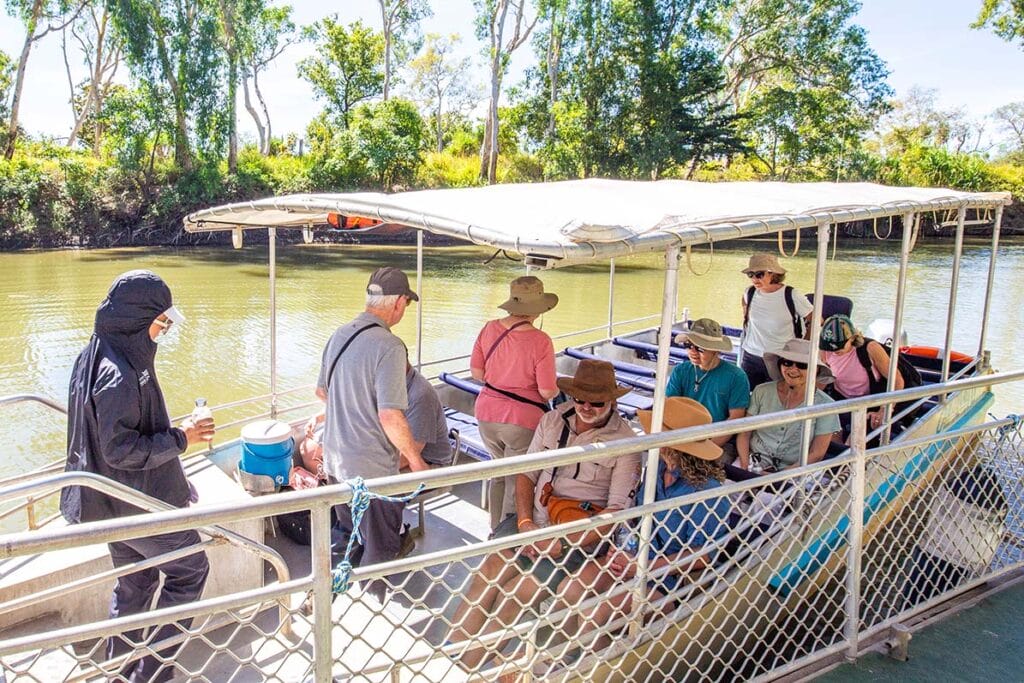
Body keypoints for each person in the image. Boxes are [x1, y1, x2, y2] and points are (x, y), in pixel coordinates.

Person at [61, 270, 215, 683]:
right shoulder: (119, 375)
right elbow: (119, 450)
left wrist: (174, 474)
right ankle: (151, 674)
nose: (162, 332)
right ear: (135, 321)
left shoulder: (96, 355)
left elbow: (115, 437)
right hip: (138, 506)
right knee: (190, 570)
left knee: (136, 584)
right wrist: (183, 438)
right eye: (160, 323)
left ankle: (120, 671)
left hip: (113, 505)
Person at [449, 360, 642, 670]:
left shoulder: (626, 442)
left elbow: (616, 513)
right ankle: (449, 661)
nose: (586, 407)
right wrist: (525, 523)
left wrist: (561, 544)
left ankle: (467, 671)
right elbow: (527, 475)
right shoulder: (552, 420)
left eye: (596, 402)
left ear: (613, 401)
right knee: (487, 575)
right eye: (580, 399)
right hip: (535, 521)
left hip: (578, 539)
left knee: (515, 593)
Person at [551, 397, 730, 654]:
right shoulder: (657, 467)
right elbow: (637, 518)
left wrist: (642, 567)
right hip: (638, 559)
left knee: (594, 616)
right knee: (569, 589)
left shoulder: (709, 492)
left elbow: (704, 556)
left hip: (670, 580)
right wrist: (623, 549)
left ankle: (586, 672)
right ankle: (549, 664)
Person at [314, 266, 428, 597]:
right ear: (399, 303)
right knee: (382, 543)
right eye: (406, 302)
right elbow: (391, 415)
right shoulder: (390, 346)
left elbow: (322, 392)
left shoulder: (339, 334)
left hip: (336, 461)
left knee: (346, 532)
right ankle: (375, 605)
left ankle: (327, 595)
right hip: (373, 471)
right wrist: (416, 462)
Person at [470, 276, 559, 530]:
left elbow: (477, 373)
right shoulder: (540, 341)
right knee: (517, 478)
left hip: (486, 413)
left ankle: (494, 527)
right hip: (522, 419)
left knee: (498, 472)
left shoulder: (489, 328)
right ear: (538, 309)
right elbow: (547, 390)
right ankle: (508, 535)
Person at [737, 339, 840, 471]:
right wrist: (745, 466)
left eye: (802, 365)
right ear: (780, 365)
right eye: (787, 363)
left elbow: (817, 453)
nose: (793, 369)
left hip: (796, 470)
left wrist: (780, 476)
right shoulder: (761, 391)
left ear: (816, 370)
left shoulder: (826, 405)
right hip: (753, 461)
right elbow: (744, 433)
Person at [667, 318, 750, 463]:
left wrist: (704, 448)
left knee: (704, 471)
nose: (692, 351)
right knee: (657, 464)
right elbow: (670, 408)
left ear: (716, 350)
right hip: (684, 436)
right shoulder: (680, 371)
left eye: (700, 348)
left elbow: (735, 420)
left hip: (719, 440)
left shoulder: (736, 377)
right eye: (688, 345)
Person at [819, 314, 906, 435]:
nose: (833, 350)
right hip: (842, 401)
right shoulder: (825, 351)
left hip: (871, 403)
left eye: (839, 346)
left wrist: (884, 410)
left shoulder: (870, 348)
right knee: (827, 433)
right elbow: (821, 381)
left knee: (854, 441)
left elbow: (897, 380)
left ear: (852, 338)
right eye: (830, 347)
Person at [739, 253, 814, 389]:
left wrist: (804, 344)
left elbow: (815, 319)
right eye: (750, 274)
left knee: (777, 397)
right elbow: (744, 301)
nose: (754, 278)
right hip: (750, 356)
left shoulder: (791, 295)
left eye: (759, 274)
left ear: (773, 274)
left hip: (778, 358)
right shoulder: (749, 293)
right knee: (746, 397)